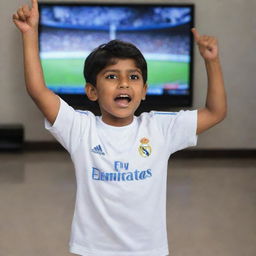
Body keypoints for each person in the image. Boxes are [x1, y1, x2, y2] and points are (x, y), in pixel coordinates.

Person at [13, 0, 227, 255]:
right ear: (92, 91)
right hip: (92, 250)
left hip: (148, 250)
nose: (124, 83)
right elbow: (38, 91)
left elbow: (216, 112)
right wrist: (29, 35)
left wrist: (211, 62)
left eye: (133, 77)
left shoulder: (159, 128)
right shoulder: (80, 128)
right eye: (112, 76)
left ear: (144, 91)